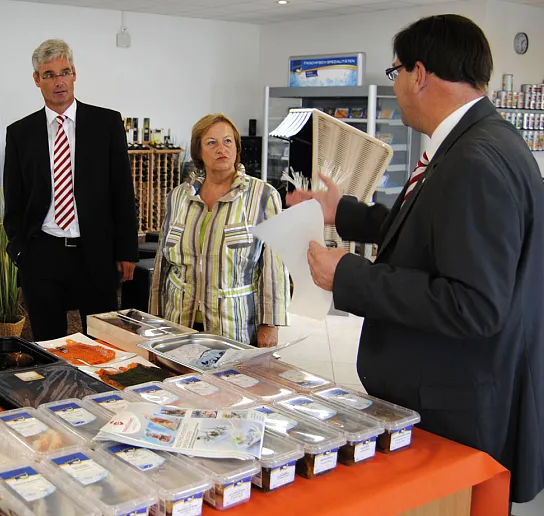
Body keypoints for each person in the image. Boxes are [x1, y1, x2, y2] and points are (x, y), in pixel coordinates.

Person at [288, 14, 544, 504]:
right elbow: (437, 234)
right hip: (455, 394)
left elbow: (474, 304)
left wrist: (351, 276)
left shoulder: (474, 161)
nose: (398, 85)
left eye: (397, 72)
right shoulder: (480, 142)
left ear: (420, 74)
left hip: (455, 411)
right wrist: (344, 213)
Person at [3, 39, 138, 340]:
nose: (58, 81)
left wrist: (127, 250)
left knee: (102, 343)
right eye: (49, 74)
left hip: (96, 253)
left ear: (74, 74)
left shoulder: (107, 124)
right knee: (49, 345)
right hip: (43, 254)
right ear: (37, 80)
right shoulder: (20, 133)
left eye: (64, 72)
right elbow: (14, 201)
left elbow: (122, 192)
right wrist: (20, 252)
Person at [149, 114, 289, 347]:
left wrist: (270, 325)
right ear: (199, 152)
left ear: (236, 147)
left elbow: (275, 269)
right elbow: (161, 266)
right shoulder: (178, 197)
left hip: (233, 328)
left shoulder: (263, 196)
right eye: (211, 143)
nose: (221, 149)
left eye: (227, 141)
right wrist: (154, 319)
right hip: (179, 323)